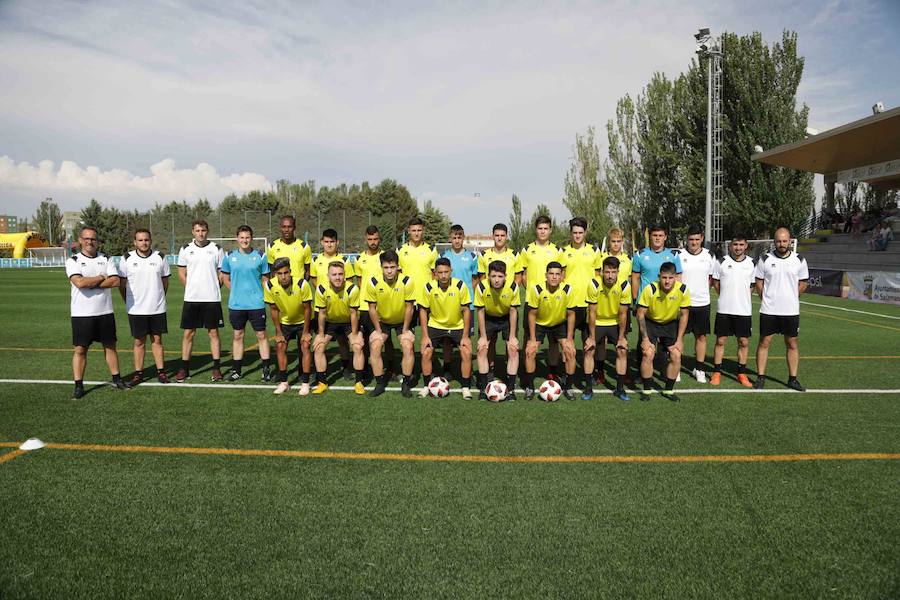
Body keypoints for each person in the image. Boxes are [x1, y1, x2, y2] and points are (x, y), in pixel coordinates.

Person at [66, 226, 129, 399]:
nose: (90, 242)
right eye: (86, 238)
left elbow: (115, 281)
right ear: (80, 240)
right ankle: (78, 386)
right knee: (80, 350)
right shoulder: (73, 260)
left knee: (110, 346)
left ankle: (117, 379)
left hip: (105, 312)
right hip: (81, 314)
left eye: (93, 239)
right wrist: (101, 277)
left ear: (97, 241)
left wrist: (90, 282)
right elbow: (79, 283)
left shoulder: (105, 258)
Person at [753, 227, 809, 391]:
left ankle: (792, 379)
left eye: (784, 241)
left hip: (790, 311)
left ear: (790, 241)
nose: (781, 244)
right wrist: (766, 298)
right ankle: (761, 377)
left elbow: (803, 283)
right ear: (774, 242)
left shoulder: (799, 260)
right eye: (778, 241)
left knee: (792, 343)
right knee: (764, 342)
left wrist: (792, 297)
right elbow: (758, 282)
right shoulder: (765, 259)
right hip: (769, 310)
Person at [117, 228, 171, 386]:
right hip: (136, 309)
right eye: (140, 240)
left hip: (157, 308)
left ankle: (161, 372)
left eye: (146, 240)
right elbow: (121, 285)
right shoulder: (126, 258)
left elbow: (165, 282)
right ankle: (138, 374)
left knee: (157, 340)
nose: (144, 243)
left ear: (150, 241)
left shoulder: (160, 257)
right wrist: (128, 301)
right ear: (135, 242)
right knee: (139, 342)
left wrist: (158, 297)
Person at [221, 225, 272, 382]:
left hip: (256, 304)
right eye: (242, 237)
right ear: (237, 238)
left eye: (247, 237)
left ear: (252, 238)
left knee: (261, 335)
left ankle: (266, 369)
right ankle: (236, 370)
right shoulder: (229, 256)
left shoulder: (261, 256)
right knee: (238, 336)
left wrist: (263, 295)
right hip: (237, 305)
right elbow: (225, 278)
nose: (245, 240)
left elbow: (265, 279)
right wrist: (235, 290)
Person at [176, 219, 225, 382]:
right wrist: (190, 288)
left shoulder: (217, 249)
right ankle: (184, 368)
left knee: (213, 333)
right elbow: (181, 273)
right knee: (188, 333)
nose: (200, 233)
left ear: (207, 231)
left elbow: (222, 273)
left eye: (203, 230)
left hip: (211, 299)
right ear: (193, 232)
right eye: (197, 231)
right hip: (192, 299)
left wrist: (215, 287)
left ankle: (216, 368)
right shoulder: (185, 249)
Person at [418, 257, 473, 399]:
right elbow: (423, 310)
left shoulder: (460, 286)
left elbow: (466, 311)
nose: (443, 275)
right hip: (435, 325)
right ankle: (426, 386)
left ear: (451, 272)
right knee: (426, 352)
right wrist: (424, 336)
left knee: (466, 351)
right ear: (435, 273)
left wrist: (466, 336)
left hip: (456, 325)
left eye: (446, 272)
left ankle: (466, 387)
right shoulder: (429, 287)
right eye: (440, 272)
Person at [635, 262, 690, 402]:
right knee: (648, 353)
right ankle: (647, 390)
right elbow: (640, 313)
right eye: (664, 277)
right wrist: (645, 338)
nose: (667, 281)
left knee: (676, 354)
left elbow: (684, 315)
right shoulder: (650, 289)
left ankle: (668, 390)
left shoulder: (682, 290)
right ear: (659, 276)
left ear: (675, 278)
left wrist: (680, 339)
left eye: (670, 278)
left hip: (670, 324)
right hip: (651, 323)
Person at [366, 250, 417, 397]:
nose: (389, 271)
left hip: (402, 320)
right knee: (375, 346)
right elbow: (372, 308)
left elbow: (409, 307)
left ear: (398, 267)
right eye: (386, 267)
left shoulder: (407, 281)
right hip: (383, 321)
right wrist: (378, 330)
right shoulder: (373, 282)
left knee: (407, 345)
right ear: (381, 267)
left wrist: (406, 329)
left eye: (392, 267)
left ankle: (406, 383)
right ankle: (380, 383)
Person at [523, 262, 577, 401]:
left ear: (562, 276)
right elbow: (532, 314)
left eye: (557, 274)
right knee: (530, 351)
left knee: (570, 351)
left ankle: (568, 387)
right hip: (540, 324)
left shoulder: (568, 290)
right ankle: (529, 387)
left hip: (559, 324)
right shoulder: (537, 290)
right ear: (546, 275)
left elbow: (571, 314)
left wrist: (570, 339)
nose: (554, 277)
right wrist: (533, 339)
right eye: (551, 274)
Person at [310, 228, 357, 380]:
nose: (329, 245)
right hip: (323, 305)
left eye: (332, 242)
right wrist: (324, 295)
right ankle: (318, 370)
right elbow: (313, 279)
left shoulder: (344, 261)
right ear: (322, 242)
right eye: (326, 241)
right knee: (319, 338)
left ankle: (346, 367)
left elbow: (348, 282)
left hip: (341, 306)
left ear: (337, 242)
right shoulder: (316, 260)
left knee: (343, 340)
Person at [312, 262, 366, 395]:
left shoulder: (352, 289)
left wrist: (354, 334)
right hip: (331, 322)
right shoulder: (321, 289)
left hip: (348, 322)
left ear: (345, 275)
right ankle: (322, 382)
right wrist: (320, 334)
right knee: (319, 346)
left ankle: (359, 382)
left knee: (357, 346)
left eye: (341, 274)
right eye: (334, 274)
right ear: (328, 276)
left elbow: (354, 313)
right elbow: (322, 314)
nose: (338, 277)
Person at [710, 234, 756, 387]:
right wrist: (726, 296)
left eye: (741, 245)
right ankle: (717, 372)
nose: (738, 248)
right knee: (721, 340)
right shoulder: (721, 262)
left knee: (743, 341)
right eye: (735, 244)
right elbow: (716, 283)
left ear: (746, 245)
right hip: (724, 309)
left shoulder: (751, 263)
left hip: (743, 310)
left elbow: (752, 285)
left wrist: (741, 298)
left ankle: (742, 373)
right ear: (731, 245)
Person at [583, 256, 631, 401]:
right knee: (589, 350)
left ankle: (620, 389)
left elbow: (623, 314)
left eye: (613, 272)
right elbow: (591, 312)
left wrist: (622, 337)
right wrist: (591, 337)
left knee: (622, 350)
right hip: (597, 321)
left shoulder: (624, 286)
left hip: (615, 322)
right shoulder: (594, 284)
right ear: (602, 272)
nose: (610, 276)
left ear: (618, 272)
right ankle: (588, 389)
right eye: (607, 272)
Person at [560, 217, 599, 392]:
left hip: (588, 305)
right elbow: (560, 277)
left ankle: (588, 378)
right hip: (569, 305)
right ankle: (566, 374)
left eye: (580, 232)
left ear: (585, 233)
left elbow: (598, 276)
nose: (577, 236)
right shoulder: (563, 252)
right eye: (574, 232)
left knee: (588, 345)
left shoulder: (594, 251)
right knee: (567, 344)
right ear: (570, 233)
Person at [265, 257, 314, 395]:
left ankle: (305, 383)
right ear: (275, 274)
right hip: (285, 322)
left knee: (305, 345)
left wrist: (305, 332)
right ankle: (284, 382)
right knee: (280, 346)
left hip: (303, 321)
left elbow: (307, 309)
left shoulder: (302, 284)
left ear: (290, 272)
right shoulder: (270, 286)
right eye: (280, 274)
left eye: (286, 273)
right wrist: (278, 332)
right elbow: (274, 310)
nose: (284, 276)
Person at [474, 261, 521, 401]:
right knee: (482, 348)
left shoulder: (513, 286)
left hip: (506, 318)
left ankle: (511, 389)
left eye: (500, 276)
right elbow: (480, 312)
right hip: (488, 317)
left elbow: (513, 312)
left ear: (505, 276)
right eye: (493, 276)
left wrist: (512, 337)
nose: (496, 279)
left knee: (513, 349)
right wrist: (482, 337)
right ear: (488, 276)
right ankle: (483, 388)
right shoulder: (481, 286)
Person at [677, 226, 715, 382]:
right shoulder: (679, 254)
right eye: (691, 239)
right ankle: (676, 367)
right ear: (687, 239)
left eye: (697, 239)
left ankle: (699, 369)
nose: (693, 242)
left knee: (701, 336)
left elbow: (711, 279)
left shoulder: (709, 255)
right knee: (679, 337)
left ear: (701, 239)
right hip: (682, 304)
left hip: (702, 303)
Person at [595, 227, 633, 382]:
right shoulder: (601, 258)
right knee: (601, 343)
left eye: (618, 241)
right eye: (613, 241)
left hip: (622, 305)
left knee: (623, 340)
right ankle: (601, 373)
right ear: (608, 242)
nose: (616, 244)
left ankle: (623, 374)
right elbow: (598, 279)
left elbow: (630, 280)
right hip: (604, 305)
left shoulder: (628, 259)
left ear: (622, 242)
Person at [398, 217, 439, 306]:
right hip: (406, 299)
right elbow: (397, 275)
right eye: (414, 230)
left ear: (423, 230)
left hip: (426, 298)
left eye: (419, 230)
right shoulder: (400, 250)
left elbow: (435, 275)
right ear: (409, 231)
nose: (416, 233)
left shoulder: (431, 250)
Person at [442, 223, 480, 313]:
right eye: (454, 238)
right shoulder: (443, 256)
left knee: (467, 327)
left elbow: (475, 280)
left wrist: (471, 295)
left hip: (467, 301)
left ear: (463, 238)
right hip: (448, 300)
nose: (457, 241)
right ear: (450, 238)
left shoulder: (472, 257)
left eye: (459, 238)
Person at [517, 215, 562, 288]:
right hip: (532, 297)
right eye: (540, 228)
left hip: (552, 297)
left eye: (545, 228)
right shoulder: (526, 250)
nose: (543, 231)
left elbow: (562, 275)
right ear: (535, 230)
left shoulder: (558, 250)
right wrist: (530, 291)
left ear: (550, 230)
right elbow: (523, 275)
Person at [266, 214, 312, 280]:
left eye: (289, 227)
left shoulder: (304, 247)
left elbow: (308, 270)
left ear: (294, 228)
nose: (286, 230)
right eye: (284, 227)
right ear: (280, 228)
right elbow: (271, 270)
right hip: (280, 289)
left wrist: (302, 285)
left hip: (297, 289)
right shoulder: (272, 247)